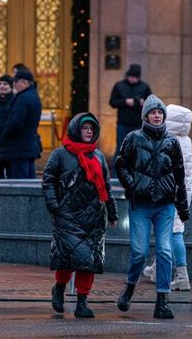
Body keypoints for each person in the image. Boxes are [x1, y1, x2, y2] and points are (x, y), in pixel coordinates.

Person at [115, 94, 189, 319]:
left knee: (165, 251)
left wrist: (182, 208)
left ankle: (162, 301)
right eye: (152, 112)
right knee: (139, 253)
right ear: (145, 116)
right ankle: (130, 287)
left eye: (159, 112)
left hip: (165, 206)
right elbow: (120, 165)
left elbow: (179, 176)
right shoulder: (133, 138)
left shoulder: (172, 142)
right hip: (141, 205)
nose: (157, 116)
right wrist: (132, 185)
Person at [42, 112, 118, 318]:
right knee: (67, 258)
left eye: (92, 128)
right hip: (67, 215)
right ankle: (59, 288)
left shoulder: (98, 156)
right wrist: (54, 206)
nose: (89, 131)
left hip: (93, 217)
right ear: (76, 129)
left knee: (88, 261)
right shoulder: (60, 154)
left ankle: (82, 302)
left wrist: (112, 212)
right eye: (85, 128)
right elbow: (48, 180)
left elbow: (106, 187)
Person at [142, 104, 192, 291]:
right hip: (183, 191)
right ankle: (157, 269)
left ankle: (182, 276)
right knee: (167, 230)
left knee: (174, 232)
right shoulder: (185, 139)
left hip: (171, 193)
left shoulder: (169, 140)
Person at [2, 69, 43, 179]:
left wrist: (5, 134)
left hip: (18, 148)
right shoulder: (33, 96)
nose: (14, 84)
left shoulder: (23, 98)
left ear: (24, 82)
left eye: (16, 81)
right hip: (28, 147)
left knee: (19, 182)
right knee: (29, 181)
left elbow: (16, 122)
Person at [109, 63, 152, 166]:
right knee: (121, 149)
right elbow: (112, 102)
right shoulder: (119, 86)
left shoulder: (144, 87)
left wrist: (143, 103)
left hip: (139, 124)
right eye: (132, 77)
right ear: (128, 75)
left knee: (140, 150)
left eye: (136, 77)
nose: (134, 79)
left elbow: (151, 103)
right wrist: (125, 102)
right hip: (123, 123)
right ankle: (117, 173)